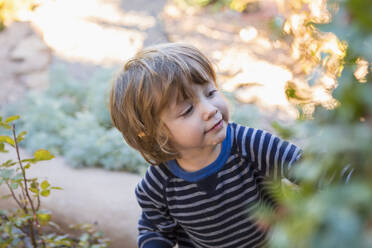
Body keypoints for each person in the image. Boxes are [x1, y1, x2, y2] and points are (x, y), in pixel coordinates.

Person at [109, 43, 302, 248]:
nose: (210, 109)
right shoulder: (159, 185)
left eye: (210, 93)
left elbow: (306, 167)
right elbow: (154, 229)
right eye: (188, 110)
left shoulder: (251, 145)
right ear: (156, 134)